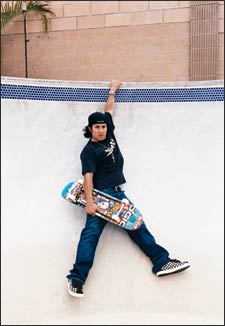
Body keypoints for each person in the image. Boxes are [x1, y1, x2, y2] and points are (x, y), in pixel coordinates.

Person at [66, 80, 190, 298]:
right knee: (90, 236)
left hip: (118, 193)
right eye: (97, 127)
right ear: (90, 129)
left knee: (137, 225)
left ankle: (161, 262)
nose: (102, 130)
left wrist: (112, 91)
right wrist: (91, 202)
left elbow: (108, 110)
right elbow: (87, 177)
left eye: (103, 126)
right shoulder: (89, 151)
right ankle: (76, 278)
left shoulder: (110, 134)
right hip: (102, 195)